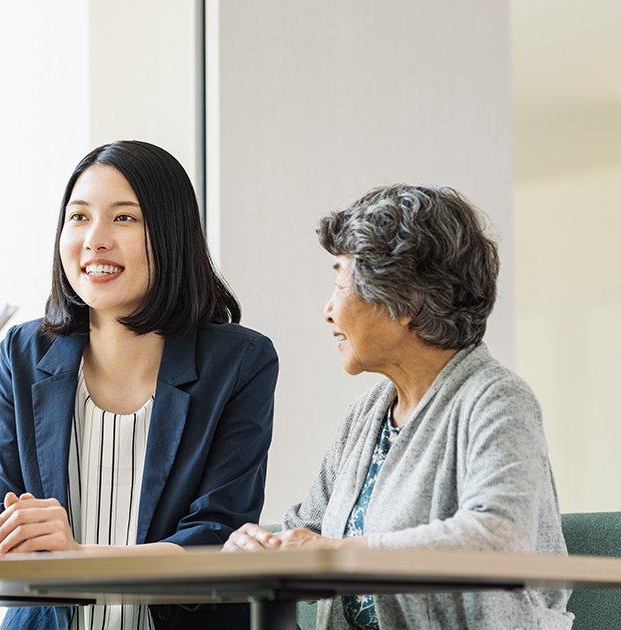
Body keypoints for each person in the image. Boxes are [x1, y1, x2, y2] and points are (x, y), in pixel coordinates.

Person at [223, 184, 572, 629]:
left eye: (340, 284)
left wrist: (337, 554)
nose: (328, 311)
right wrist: (257, 546)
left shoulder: (497, 399)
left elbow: (498, 537)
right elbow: (308, 529)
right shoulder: (366, 415)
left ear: (402, 299)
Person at [0, 140, 279, 629]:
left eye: (124, 218)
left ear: (171, 235)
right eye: (79, 217)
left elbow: (219, 535)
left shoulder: (239, 360)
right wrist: (3, 547)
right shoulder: (24, 353)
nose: (95, 240)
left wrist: (80, 559)